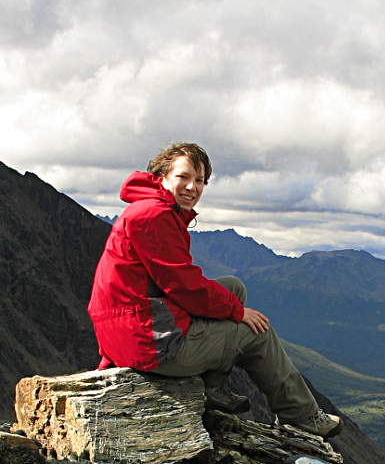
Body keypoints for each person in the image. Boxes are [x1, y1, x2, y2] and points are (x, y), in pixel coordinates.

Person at [87, 141, 342, 438]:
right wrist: (237, 313)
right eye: (183, 177)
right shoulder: (153, 216)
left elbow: (173, 285)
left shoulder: (152, 209)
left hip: (136, 328)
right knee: (255, 332)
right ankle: (303, 416)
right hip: (149, 342)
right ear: (162, 177)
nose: (192, 187)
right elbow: (183, 286)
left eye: (200, 181)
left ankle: (213, 386)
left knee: (233, 288)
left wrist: (232, 305)